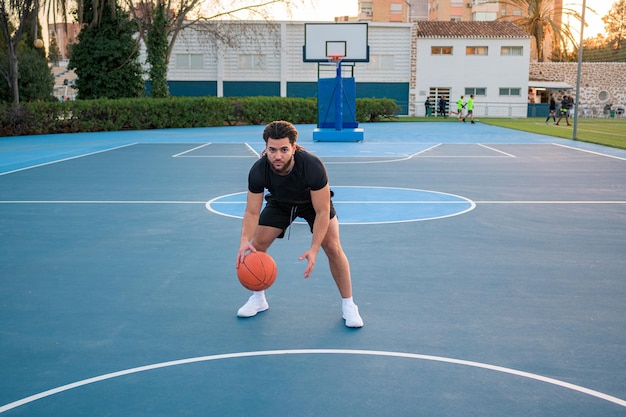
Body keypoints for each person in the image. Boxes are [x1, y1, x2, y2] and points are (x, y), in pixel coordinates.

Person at [235, 120, 364, 328]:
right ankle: (258, 299)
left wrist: (314, 248)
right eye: (272, 149)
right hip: (281, 202)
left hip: (312, 204)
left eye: (284, 149)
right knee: (256, 246)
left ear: (294, 148)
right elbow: (251, 211)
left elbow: (322, 211)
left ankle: (349, 305)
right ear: (265, 148)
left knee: (332, 247)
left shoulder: (312, 166)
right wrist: (243, 241)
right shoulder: (259, 170)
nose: (278, 156)